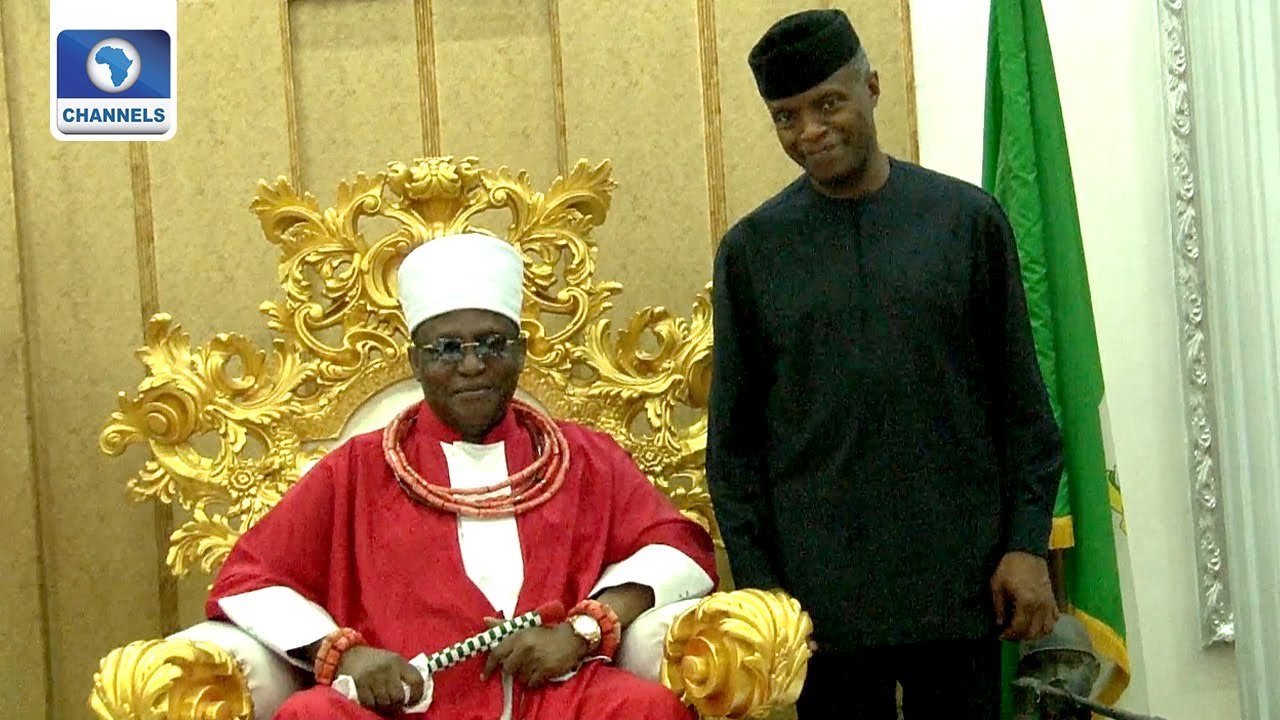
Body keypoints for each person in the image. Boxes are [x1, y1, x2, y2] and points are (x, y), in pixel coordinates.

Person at [705, 9, 1064, 719]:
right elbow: (735, 448)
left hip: (964, 585)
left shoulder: (967, 223)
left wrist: (1026, 544)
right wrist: (766, 593)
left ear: (871, 87)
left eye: (828, 103)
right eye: (787, 116)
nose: (809, 130)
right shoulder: (752, 252)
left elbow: (1024, 410)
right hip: (821, 607)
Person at [206, 233, 718, 719]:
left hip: (556, 699)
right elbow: (250, 581)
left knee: (645, 710)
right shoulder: (356, 469)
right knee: (310, 714)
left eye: (491, 343)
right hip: (406, 707)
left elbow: (676, 548)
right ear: (415, 361)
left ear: (520, 352)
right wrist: (344, 655)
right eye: (447, 348)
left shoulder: (583, 456)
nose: (472, 365)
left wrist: (581, 631)